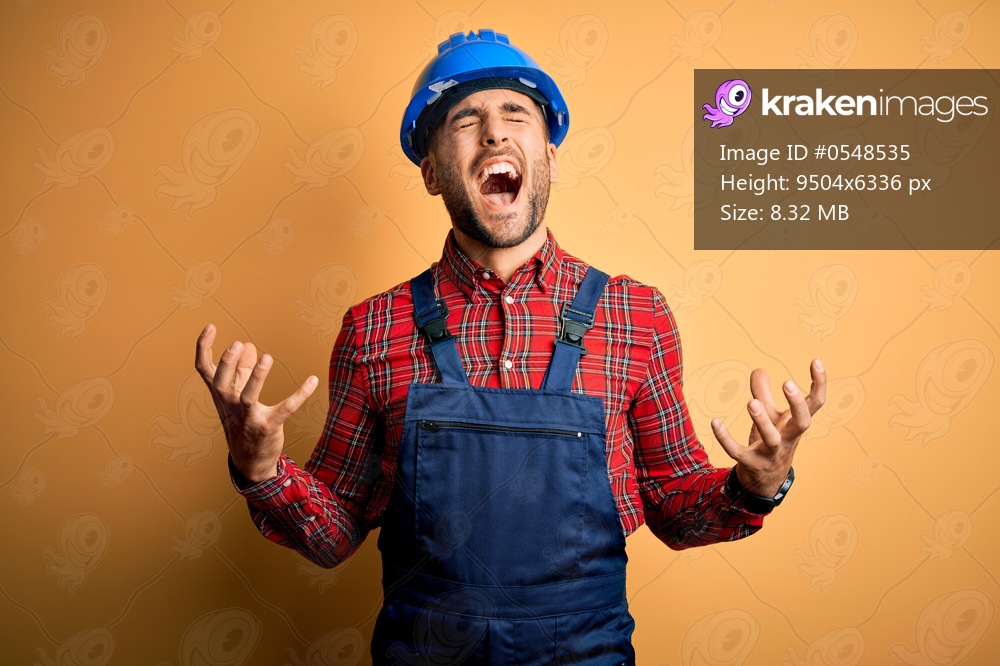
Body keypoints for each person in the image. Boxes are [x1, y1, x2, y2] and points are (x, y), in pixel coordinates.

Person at [195, 29, 826, 664]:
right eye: (466, 119)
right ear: (433, 171)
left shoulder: (636, 316)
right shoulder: (373, 329)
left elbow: (674, 510)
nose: (494, 133)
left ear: (549, 158)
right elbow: (332, 538)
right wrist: (260, 470)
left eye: (515, 114)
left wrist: (756, 485)